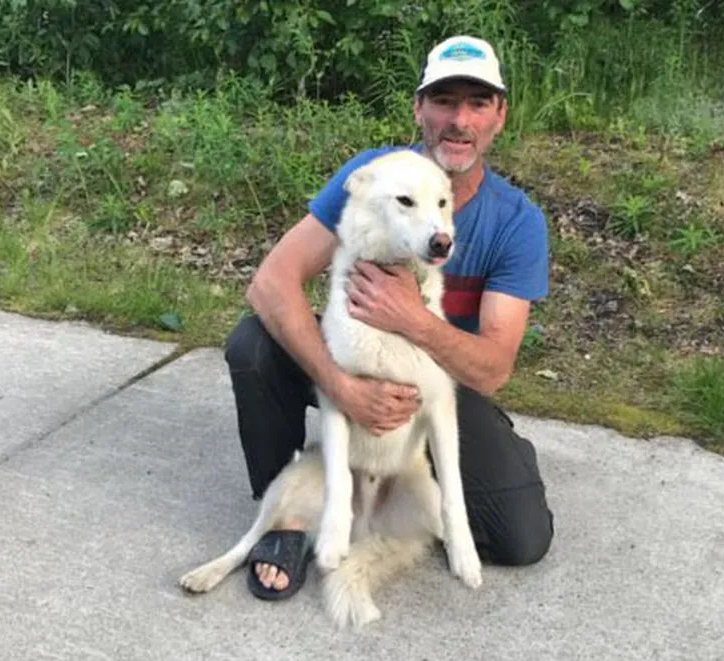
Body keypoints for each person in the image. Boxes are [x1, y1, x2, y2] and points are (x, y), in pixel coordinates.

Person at [223, 34, 555, 599]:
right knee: (252, 344)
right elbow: (270, 282)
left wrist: (412, 318)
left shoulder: (517, 222)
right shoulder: (374, 176)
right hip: (353, 361)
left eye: (477, 103)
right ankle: (287, 520)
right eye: (445, 101)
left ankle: (463, 461)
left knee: (520, 539)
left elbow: (494, 370)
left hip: (438, 385)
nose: (459, 119)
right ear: (419, 108)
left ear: (499, 115)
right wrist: (341, 388)